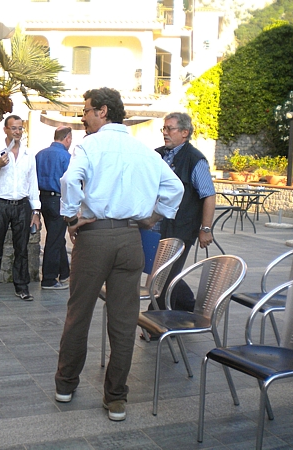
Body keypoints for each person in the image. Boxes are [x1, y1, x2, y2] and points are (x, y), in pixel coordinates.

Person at [54, 87, 184, 421]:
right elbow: (175, 188)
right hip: (130, 238)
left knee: (78, 314)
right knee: (124, 322)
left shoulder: (90, 145)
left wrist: (70, 217)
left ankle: (66, 385)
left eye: (86, 110)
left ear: (103, 111)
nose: (83, 117)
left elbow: (69, 180)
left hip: (94, 238)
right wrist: (152, 217)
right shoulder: (144, 150)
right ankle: (115, 399)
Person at [152, 112, 215, 312]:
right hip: (154, 227)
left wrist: (206, 228)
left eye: (170, 129)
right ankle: (191, 308)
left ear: (185, 132)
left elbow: (208, 195)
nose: (165, 133)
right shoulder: (157, 155)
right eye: (164, 128)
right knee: (162, 273)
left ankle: (156, 318)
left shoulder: (195, 159)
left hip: (180, 229)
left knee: (164, 277)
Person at [0, 115, 41, 302]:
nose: (17, 132)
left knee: (21, 249)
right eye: (14, 128)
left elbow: (33, 184)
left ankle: (22, 288)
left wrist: (36, 211)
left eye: (20, 128)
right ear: (5, 130)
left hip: (21, 206)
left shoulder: (28, 154)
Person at [35, 126, 73, 290]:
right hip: (58, 200)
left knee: (56, 237)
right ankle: (49, 279)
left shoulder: (40, 154)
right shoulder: (66, 157)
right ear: (67, 138)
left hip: (43, 199)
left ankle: (64, 273)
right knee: (54, 239)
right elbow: (70, 183)